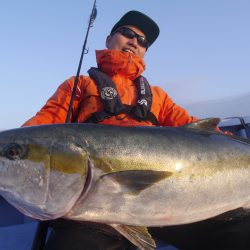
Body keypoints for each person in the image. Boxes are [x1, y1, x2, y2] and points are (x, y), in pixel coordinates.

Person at [23, 10, 246, 250]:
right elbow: (40, 129)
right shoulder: (78, 85)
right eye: (127, 33)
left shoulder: (157, 95)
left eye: (143, 41)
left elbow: (199, 132)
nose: (134, 41)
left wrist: (233, 144)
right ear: (109, 39)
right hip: (94, 212)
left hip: (168, 205)